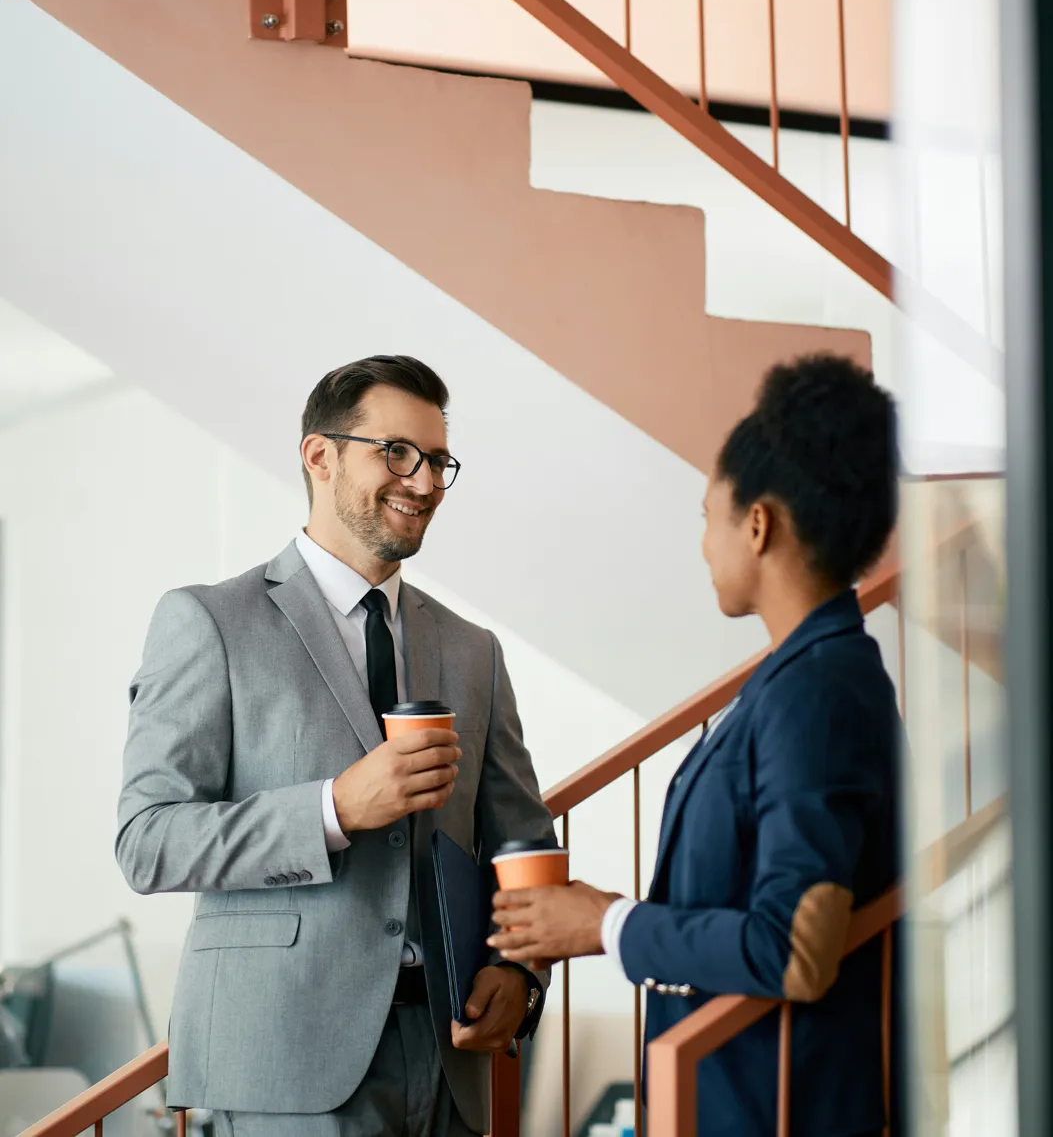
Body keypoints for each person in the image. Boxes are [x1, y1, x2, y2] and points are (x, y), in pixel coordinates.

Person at [116, 355, 554, 1137]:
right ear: (319, 456)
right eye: (397, 453)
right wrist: (333, 809)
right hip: (286, 1061)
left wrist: (520, 972)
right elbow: (147, 840)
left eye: (438, 462)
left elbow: (521, 837)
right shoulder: (209, 623)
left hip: (450, 1061)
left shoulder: (472, 650)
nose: (422, 483)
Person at [489, 354, 901, 1137]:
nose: (703, 545)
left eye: (706, 516)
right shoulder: (801, 677)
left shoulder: (818, 690)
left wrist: (605, 923)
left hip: (775, 1107)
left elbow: (791, 950)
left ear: (757, 524)